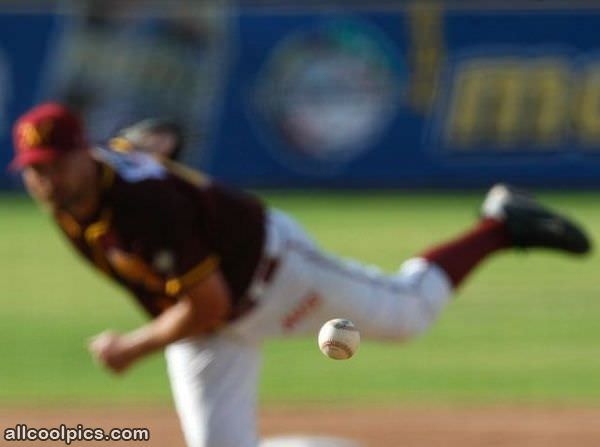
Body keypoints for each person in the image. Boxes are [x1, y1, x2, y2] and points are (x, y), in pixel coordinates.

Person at [11, 103, 591, 447]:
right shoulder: (79, 189)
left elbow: (206, 304)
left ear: (83, 154)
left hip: (273, 271)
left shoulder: (144, 209)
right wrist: (155, 151)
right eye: (35, 170)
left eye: (57, 165)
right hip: (201, 315)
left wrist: (130, 348)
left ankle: (500, 224)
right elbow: (142, 144)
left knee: (407, 313)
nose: (46, 181)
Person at [113, 118, 185, 161]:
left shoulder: (171, 175)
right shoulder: (112, 150)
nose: (157, 142)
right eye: (158, 134)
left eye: (163, 142)